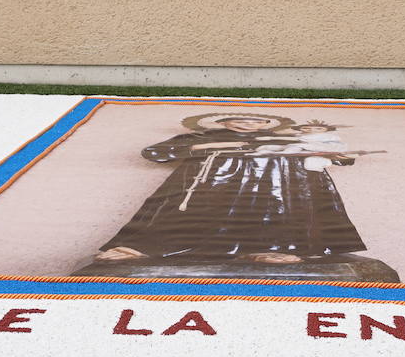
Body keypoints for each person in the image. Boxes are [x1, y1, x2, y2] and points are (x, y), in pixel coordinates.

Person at [95, 112, 368, 264]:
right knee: (183, 211)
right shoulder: (199, 137)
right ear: (221, 122)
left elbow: (333, 155)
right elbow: (156, 152)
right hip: (212, 180)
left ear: (266, 124)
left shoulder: (290, 139)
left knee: (276, 210)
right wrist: (217, 146)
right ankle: (148, 246)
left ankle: (273, 247)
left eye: (256, 121)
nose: (247, 123)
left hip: (277, 184)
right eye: (239, 119)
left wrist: (334, 154)